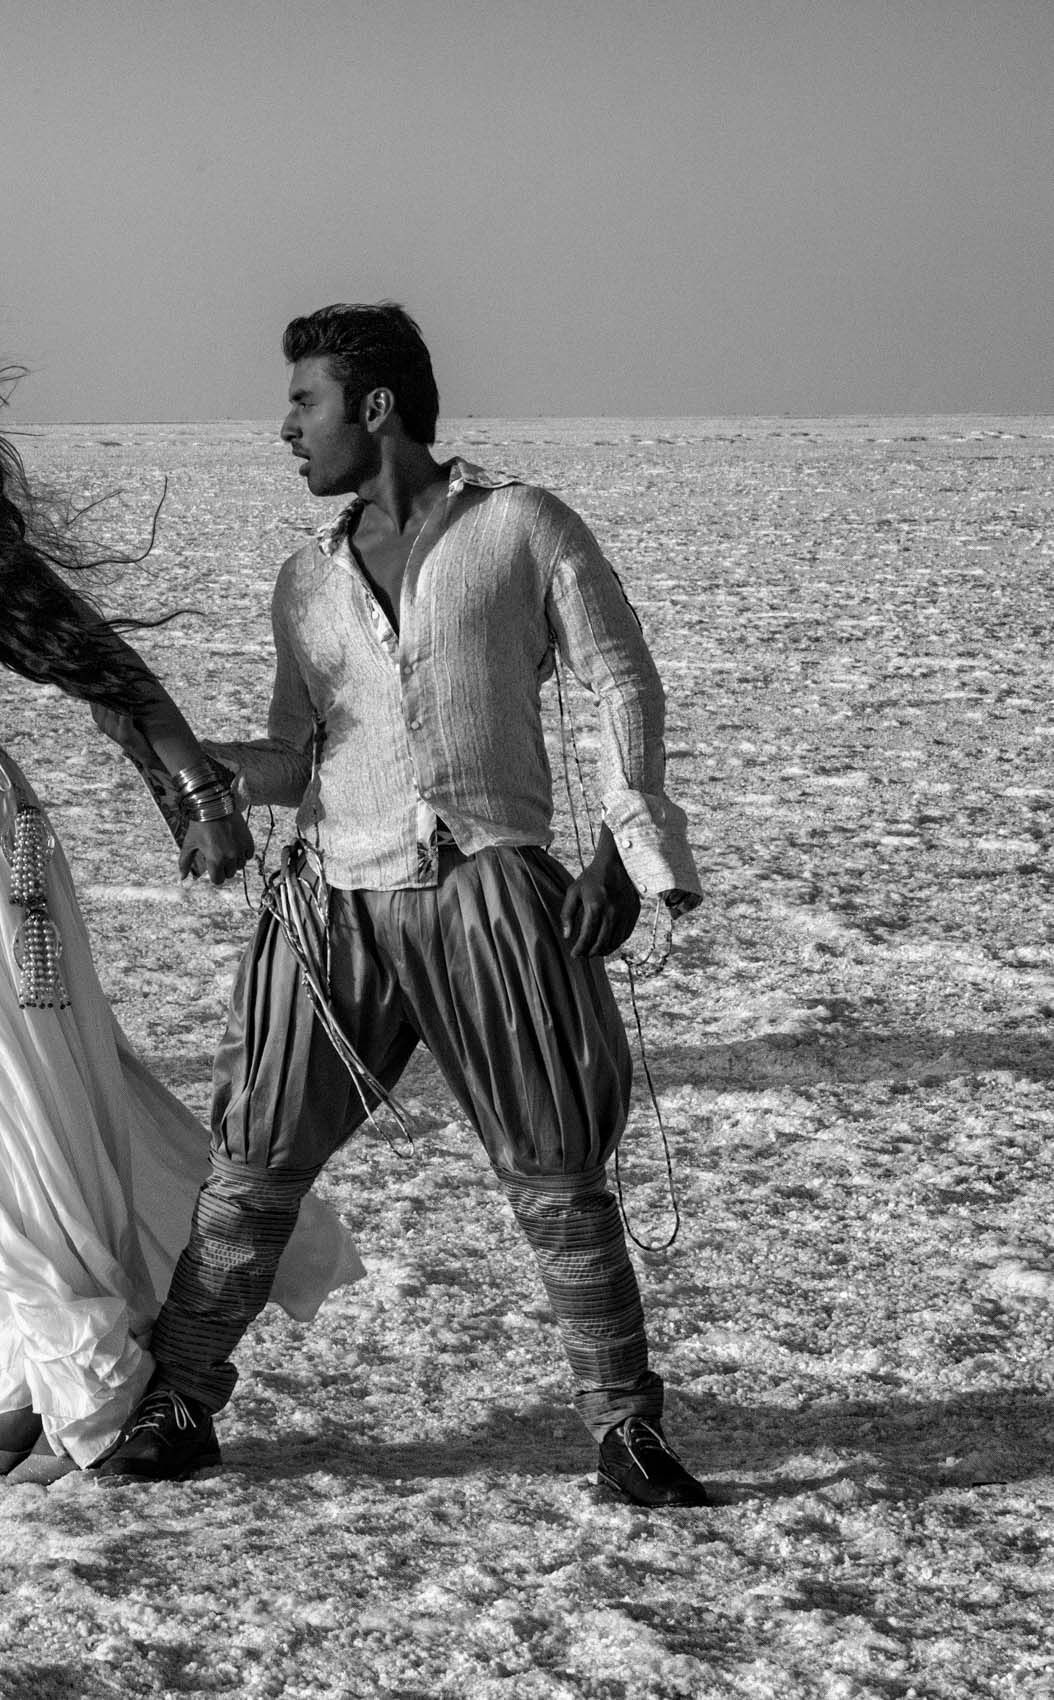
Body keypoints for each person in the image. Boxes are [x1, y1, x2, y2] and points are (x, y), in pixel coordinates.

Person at [93, 302, 711, 1507]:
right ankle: (180, 1404)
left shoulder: (521, 527)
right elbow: (295, 756)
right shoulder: (305, 582)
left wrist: (626, 854)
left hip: (493, 892)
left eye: (303, 402)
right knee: (252, 1164)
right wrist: (194, 757)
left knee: (556, 1164)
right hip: (332, 912)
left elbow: (619, 675)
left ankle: (627, 1431)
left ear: (376, 407)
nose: (286, 428)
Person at [0, 299, 363, 1485]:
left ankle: (89, 1378)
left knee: (25, 1109)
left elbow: (109, 670)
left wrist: (193, 795)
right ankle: (27, 1378)